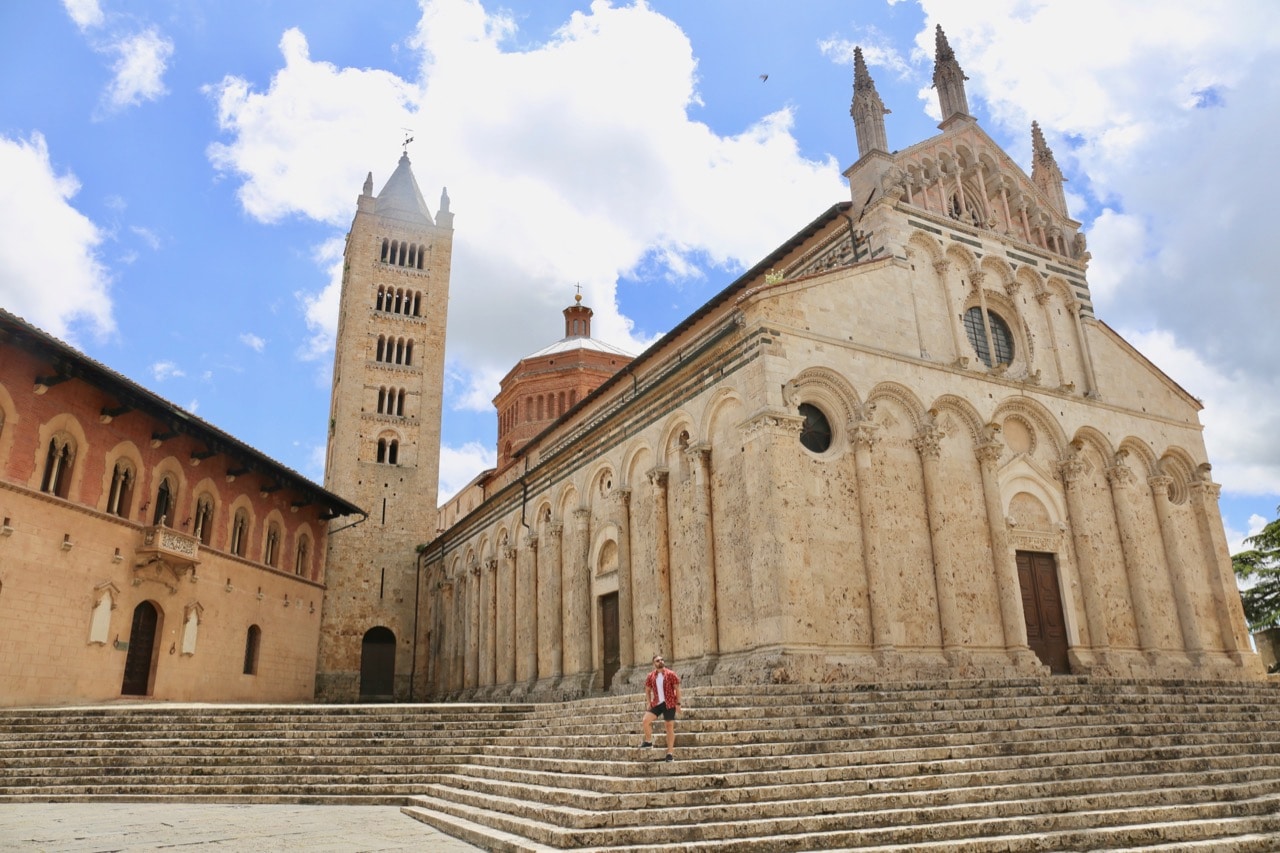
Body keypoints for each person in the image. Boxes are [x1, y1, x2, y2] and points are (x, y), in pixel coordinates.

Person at [639, 653, 681, 761]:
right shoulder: (651, 676)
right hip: (657, 703)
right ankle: (648, 741)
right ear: (654, 664)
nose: (661, 661)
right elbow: (647, 689)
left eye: (662, 660)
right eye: (658, 661)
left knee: (669, 726)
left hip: (669, 703)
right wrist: (649, 702)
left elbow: (677, 689)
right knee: (645, 720)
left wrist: (678, 704)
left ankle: (670, 753)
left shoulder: (670, 674)